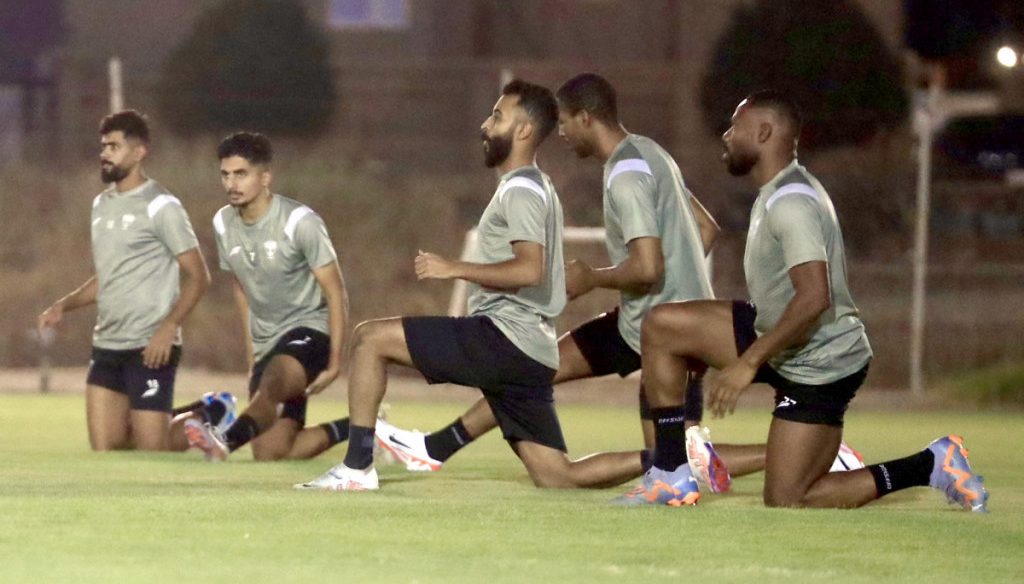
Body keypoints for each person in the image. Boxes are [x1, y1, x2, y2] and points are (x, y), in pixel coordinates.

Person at [376, 72, 767, 494]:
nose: (559, 133)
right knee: (538, 370)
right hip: (649, 322)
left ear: (585, 118)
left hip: (666, 332)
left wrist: (591, 277)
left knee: (672, 457)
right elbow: (705, 229)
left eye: (563, 122)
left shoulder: (625, 175)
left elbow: (648, 267)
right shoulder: (651, 153)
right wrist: (674, 288)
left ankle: (800, 453)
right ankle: (437, 446)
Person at [636, 90, 989, 511]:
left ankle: (931, 464)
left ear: (763, 133)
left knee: (788, 498)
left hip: (821, 362)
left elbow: (814, 298)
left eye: (735, 125)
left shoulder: (792, 202)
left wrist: (747, 363)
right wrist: (704, 347)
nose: (726, 135)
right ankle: (671, 474)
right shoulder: (778, 190)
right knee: (663, 327)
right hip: (780, 336)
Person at [296, 79, 650, 491]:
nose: (486, 124)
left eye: (497, 116)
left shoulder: (521, 191)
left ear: (523, 130)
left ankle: (357, 469)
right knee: (558, 476)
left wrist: (454, 268)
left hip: (504, 338)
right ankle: (671, 457)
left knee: (369, 339)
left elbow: (529, 270)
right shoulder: (535, 185)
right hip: (531, 351)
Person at [38, 110, 210, 451]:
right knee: (107, 448)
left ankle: (212, 413)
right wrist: (63, 305)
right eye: (103, 146)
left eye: (114, 147)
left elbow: (198, 276)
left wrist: (168, 328)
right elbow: (108, 277)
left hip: (150, 345)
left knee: (152, 450)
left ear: (139, 152)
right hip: (107, 343)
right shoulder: (101, 205)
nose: (105, 154)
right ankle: (187, 416)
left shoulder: (161, 206)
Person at [184, 132, 351, 461]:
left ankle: (225, 441)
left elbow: (335, 291)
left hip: (309, 331)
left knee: (274, 380)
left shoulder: (299, 222)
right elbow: (241, 287)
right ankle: (366, 429)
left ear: (265, 177)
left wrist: (335, 362)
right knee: (272, 452)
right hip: (267, 341)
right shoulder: (223, 223)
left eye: (241, 174)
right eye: (225, 174)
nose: (231, 183)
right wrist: (253, 356)